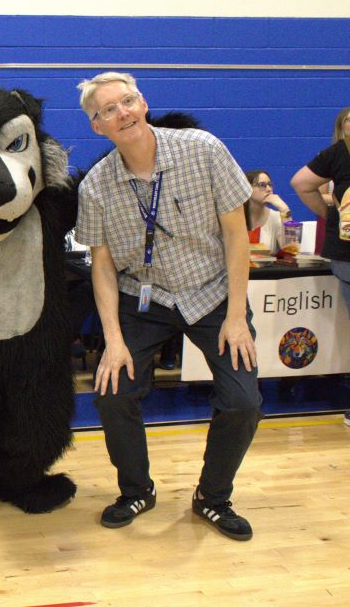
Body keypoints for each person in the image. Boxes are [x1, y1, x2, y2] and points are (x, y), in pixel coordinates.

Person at [75, 71, 261, 541]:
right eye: (109, 110)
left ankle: (213, 497)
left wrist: (237, 315)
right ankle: (136, 489)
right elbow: (102, 267)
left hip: (214, 293)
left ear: (144, 102)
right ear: (98, 126)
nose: (124, 113)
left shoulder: (203, 149)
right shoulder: (96, 187)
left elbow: (237, 235)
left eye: (129, 101)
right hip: (147, 297)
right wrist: (113, 340)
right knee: (111, 390)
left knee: (243, 401)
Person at [290, 105, 350, 428]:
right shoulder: (337, 154)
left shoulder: (337, 154)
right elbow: (300, 182)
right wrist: (330, 213)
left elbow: (300, 183)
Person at [243, 170, 291, 255]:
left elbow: (289, 250)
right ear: (247, 189)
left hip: (266, 268)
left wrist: (285, 210)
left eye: (270, 185)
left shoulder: (276, 217)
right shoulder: (235, 217)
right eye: (262, 185)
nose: (269, 189)